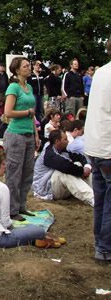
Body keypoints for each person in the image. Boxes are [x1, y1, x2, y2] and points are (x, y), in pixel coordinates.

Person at [84, 35, 111, 261]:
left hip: (95, 145)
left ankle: (100, 243)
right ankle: (105, 247)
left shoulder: (101, 72)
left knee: (101, 199)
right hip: (108, 148)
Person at [3, 56, 40, 221]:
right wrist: (26, 113)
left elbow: (32, 115)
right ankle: (12, 209)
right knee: (14, 173)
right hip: (15, 135)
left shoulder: (29, 87)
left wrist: (36, 134)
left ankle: (22, 205)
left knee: (27, 173)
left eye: (29, 65)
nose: (29, 68)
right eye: (25, 66)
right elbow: (8, 112)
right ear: (17, 70)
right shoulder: (13, 87)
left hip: (28, 135)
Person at [32, 130, 94, 206]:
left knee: (78, 164)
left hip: (57, 187)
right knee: (64, 172)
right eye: (65, 139)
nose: (68, 141)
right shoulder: (49, 154)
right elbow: (66, 167)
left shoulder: (62, 150)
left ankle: (97, 193)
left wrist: (87, 166)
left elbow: (80, 157)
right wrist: (82, 171)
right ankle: (92, 199)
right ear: (57, 141)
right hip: (45, 190)